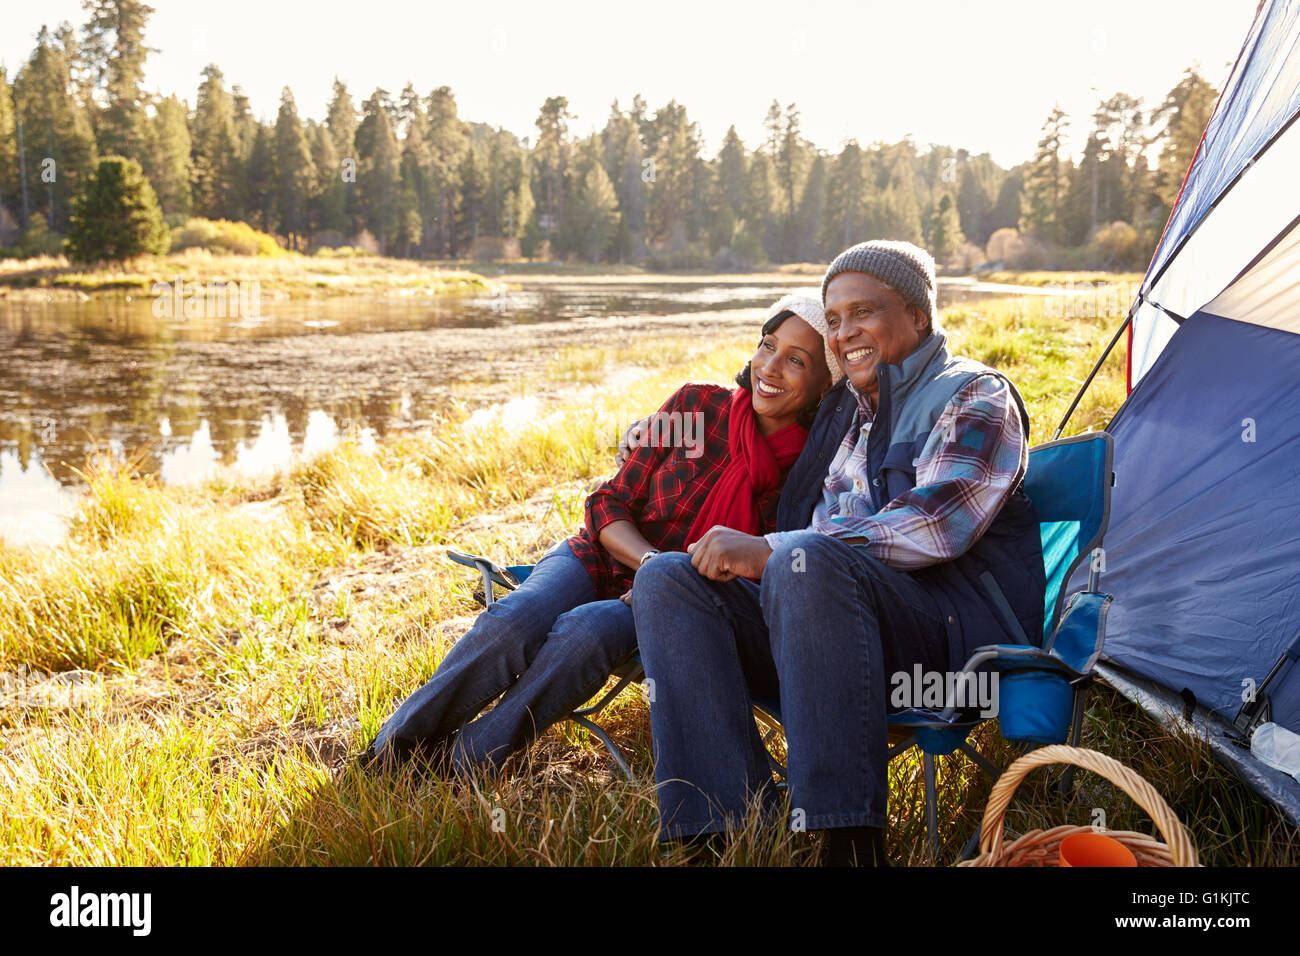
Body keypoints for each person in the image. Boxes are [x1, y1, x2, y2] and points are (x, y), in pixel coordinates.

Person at [632, 240, 1046, 865]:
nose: (844, 333)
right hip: (838, 641)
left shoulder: (974, 395)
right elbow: (827, 534)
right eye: (834, 319)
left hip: (949, 650)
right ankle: (719, 829)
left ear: (919, 317)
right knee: (670, 578)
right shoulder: (855, 418)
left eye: (864, 312)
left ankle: (847, 841)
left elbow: (935, 525)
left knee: (806, 559)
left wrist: (773, 549)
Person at [360, 294, 839, 776]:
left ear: (826, 383)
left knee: (582, 637)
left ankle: (460, 765)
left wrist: (663, 585)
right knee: (513, 620)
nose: (770, 367)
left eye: (796, 360)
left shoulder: (809, 473)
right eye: (767, 346)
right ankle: (392, 750)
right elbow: (609, 502)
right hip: (601, 553)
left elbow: (755, 576)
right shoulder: (698, 406)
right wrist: (652, 563)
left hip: (669, 605)